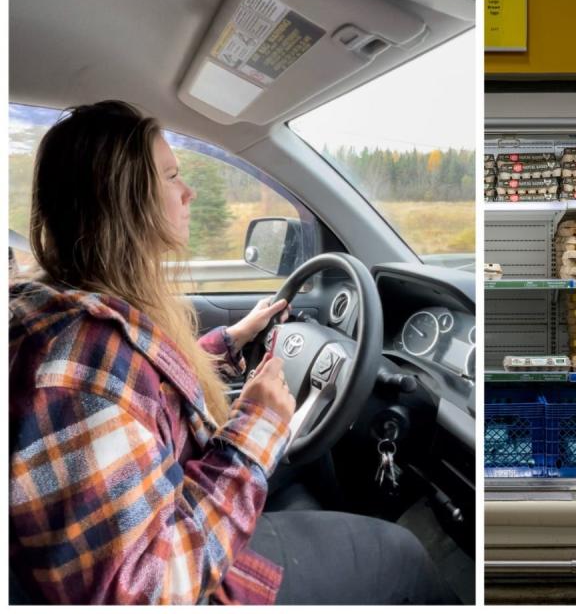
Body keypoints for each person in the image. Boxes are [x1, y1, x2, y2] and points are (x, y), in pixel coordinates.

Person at [9, 100, 454, 604]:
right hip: (190, 575)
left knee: (309, 467)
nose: (188, 191)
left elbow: (143, 396)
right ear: (124, 202)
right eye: (172, 175)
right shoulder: (76, 365)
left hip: (176, 500)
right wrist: (257, 426)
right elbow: (146, 592)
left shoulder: (79, 314)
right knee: (399, 555)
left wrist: (233, 338)